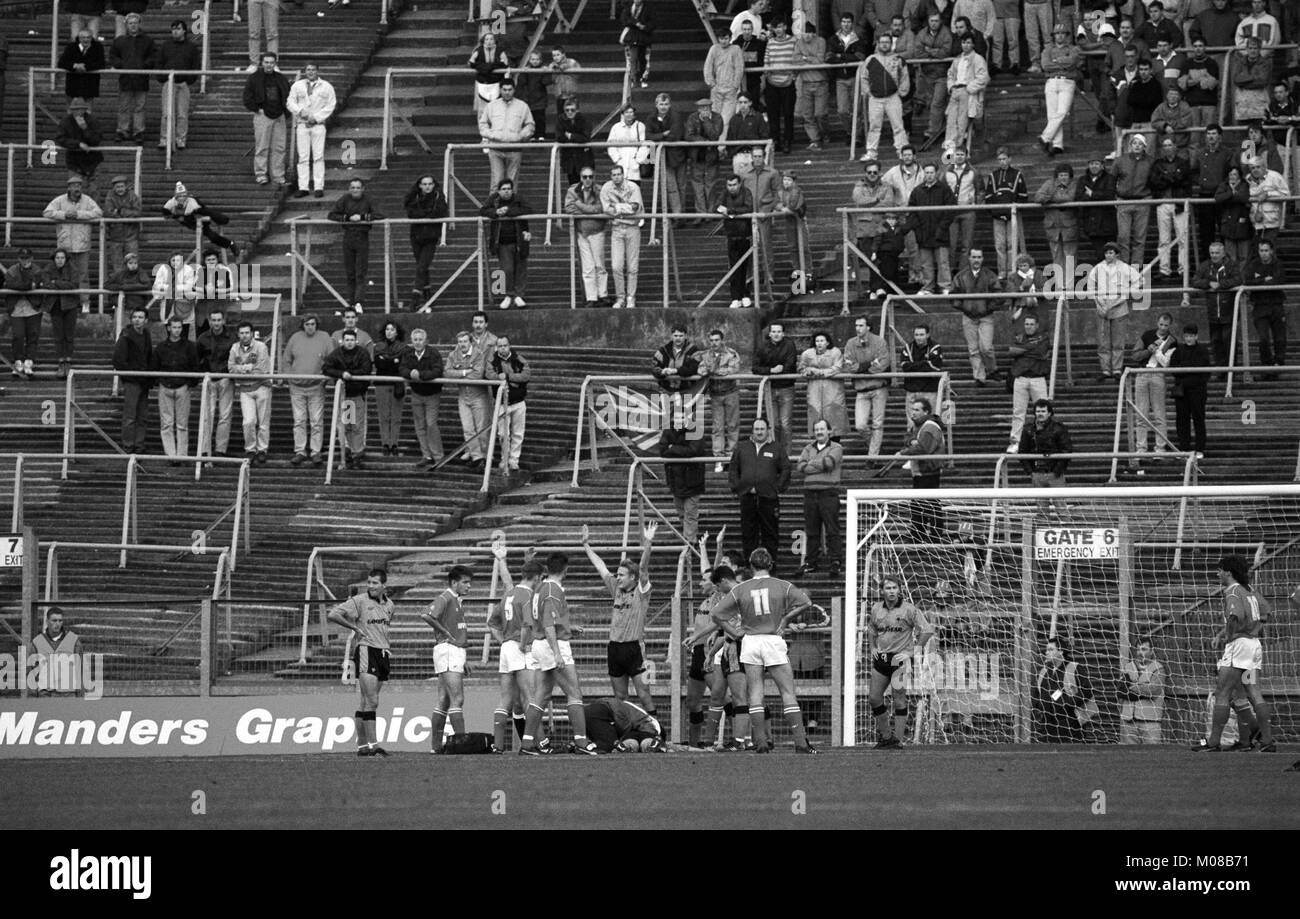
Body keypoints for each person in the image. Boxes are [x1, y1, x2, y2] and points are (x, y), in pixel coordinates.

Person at [708, 546, 820, 753]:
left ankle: (760, 743)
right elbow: (807, 601)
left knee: (756, 693)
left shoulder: (741, 588)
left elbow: (716, 614)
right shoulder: (781, 585)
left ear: (750, 566)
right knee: (787, 692)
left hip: (750, 641)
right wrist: (785, 619)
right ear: (770, 564)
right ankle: (801, 743)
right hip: (772, 639)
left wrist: (734, 631)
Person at [519, 551, 599, 755]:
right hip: (551, 645)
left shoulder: (540, 588)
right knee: (574, 693)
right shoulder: (554, 590)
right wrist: (557, 653)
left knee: (541, 695)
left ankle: (527, 744)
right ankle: (581, 742)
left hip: (539, 643)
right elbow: (548, 624)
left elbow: (547, 620)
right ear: (566, 569)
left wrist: (570, 628)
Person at [1199, 554, 1275, 752]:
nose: (1217, 573)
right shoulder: (1249, 591)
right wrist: (1250, 628)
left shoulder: (1232, 591)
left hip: (1239, 646)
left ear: (1228, 572)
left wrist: (1230, 637)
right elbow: (1265, 613)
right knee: (1253, 692)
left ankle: (1213, 743)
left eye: (1219, 569)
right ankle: (1266, 740)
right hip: (1254, 645)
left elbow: (1235, 616)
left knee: (1222, 692)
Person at [581, 521, 658, 712]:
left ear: (632, 577)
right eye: (618, 574)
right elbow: (600, 566)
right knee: (620, 697)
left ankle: (657, 733)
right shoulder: (615, 588)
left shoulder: (641, 591)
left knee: (644, 693)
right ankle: (627, 732)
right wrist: (586, 545)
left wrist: (648, 543)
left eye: (622, 574)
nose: (618, 577)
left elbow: (644, 568)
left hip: (635, 649)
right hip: (615, 648)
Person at [327, 568, 394, 756]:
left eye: (375, 583)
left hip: (382, 653)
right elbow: (333, 614)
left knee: (365, 701)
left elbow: (383, 628)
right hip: (366, 650)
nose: (370, 586)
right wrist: (354, 627)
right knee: (372, 700)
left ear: (383, 586)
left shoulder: (390, 605)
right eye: (369, 582)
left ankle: (362, 746)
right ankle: (374, 745)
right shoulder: (359, 601)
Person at [866, 574, 934, 748]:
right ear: (882, 591)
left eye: (894, 588)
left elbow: (926, 630)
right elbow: (872, 630)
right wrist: (873, 648)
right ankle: (887, 736)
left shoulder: (909, 609)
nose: (891, 591)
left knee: (899, 698)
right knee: (874, 698)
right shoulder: (876, 609)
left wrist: (912, 651)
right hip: (881, 659)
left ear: (899, 590)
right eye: (888, 588)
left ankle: (898, 740)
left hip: (899, 661)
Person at [420, 565, 474, 753]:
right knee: (457, 699)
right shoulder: (446, 597)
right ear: (454, 582)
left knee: (443, 700)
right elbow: (426, 614)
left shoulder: (456, 601)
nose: (469, 586)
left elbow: (456, 630)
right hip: (449, 650)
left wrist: (463, 658)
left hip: (453, 651)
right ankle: (462, 744)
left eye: (469, 582)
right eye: (465, 582)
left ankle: (436, 746)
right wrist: (443, 631)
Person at [730, 418, 790, 564]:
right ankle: (750, 564)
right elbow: (733, 468)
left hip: (768, 498)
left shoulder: (777, 448)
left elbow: (786, 469)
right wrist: (738, 486)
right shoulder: (742, 448)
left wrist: (777, 487)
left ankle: (770, 563)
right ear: (752, 431)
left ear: (767, 430)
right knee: (748, 533)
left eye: (762, 429)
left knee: (770, 532)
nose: (759, 432)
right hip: (747, 497)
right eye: (756, 429)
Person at [43, 175, 101, 315]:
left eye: (79, 186)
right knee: (64, 276)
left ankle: (85, 302)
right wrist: (64, 214)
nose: (77, 188)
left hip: (82, 244)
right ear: (68, 187)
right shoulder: (60, 200)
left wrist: (79, 214)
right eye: (74, 186)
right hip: (65, 246)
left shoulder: (87, 200)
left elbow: (98, 213)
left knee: (83, 275)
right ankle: (68, 303)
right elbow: (47, 212)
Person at [281, 314, 333, 467]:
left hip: (316, 386)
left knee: (316, 421)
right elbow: (286, 360)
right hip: (297, 387)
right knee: (299, 420)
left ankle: (315, 451)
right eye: (307, 324)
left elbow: (331, 358)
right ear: (302, 325)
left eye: (313, 324)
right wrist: (290, 377)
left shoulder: (324, 337)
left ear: (317, 324)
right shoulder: (295, 338)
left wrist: (324, 378)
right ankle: (300, 450)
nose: (310, 327)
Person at [1087, 242, 1143, 382]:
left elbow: (1139, 281)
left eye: (1111, 253)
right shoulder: (1098, 268)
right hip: (1102, 308)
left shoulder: (1125, 268)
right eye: (1106, 253)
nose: (1108, 255)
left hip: (1119, 307)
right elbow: (1090, 286)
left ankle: (1117, 368)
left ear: (1116, 254)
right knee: (1103, 341)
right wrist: (1099, 303)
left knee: (1118, 341)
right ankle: (1105, 369)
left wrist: (1128, 293)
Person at [795, 419, 844, 577]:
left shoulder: (836, 447)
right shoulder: (808, 447)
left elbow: (829, 463)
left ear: (829, 431)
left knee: (832, 529)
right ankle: (811, 562)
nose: (819, 432)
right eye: (816, 429)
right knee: (812, 531)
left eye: (822, 429)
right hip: (810, 493)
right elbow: (800, 466)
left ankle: (835, 561)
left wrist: (811, 464)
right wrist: (818, 464)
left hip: (828, 492)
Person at [1128, 311, 1177, 465]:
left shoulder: (1172, 341)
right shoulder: (1147, 335)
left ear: (1170, 326)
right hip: (1142, 374)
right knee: (1141, 413)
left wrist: (1157, 351)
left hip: (1158, 375)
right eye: (1161, 324)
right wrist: (1147, 350)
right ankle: (1141, 448)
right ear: (1157, 322)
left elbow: (1167, 363)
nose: (1163, 328)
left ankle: (1160, 449)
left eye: (1166, 325)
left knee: (1159, 414)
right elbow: (1135, 355)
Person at [951, 247, 1004, 386]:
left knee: (986, 347)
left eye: (979, 257)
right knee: (973, 348)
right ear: (969, 258)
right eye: (974, 257)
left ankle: (992, 369)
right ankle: (979, 376)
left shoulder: (990, 275)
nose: (976, 260)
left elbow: (999, 294)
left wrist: (988, 308)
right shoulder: (960, 276)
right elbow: (953, 294)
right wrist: (963, 307)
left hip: (986, 316)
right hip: (968, 316)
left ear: (983, 259)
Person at [328, 179, 383, 312]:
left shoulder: (368, 200)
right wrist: (347, 218)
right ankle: (351, 302)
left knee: (360, 272)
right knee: (350, 272)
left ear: (363, 188)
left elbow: (380, 214)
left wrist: (363, 217)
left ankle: (358, 301)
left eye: (358, 187)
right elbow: (332, 214)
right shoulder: (345, 199)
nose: (355, 190)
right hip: (348, 237)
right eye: (352, 187)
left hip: (362, 237)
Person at [149, 316, 199, 460]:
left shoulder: (189, 346)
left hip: (183, 387)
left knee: (182, 424)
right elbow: (154, 366)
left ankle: (182, 455)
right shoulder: (161, 347)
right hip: (165, 387)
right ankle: (171, 455)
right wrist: (159, 381)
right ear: (169, 328)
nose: (177, 330)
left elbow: (194, 366)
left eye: (179, 327)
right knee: (166, 424)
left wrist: (190, 383)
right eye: (174, 327)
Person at [323, 329, 374, 470]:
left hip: (357, 394)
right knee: (347, 425)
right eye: (347, 340)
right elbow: (326, 368)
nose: (349, 342)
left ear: (356, 341)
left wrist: (349, 374)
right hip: (345, 396)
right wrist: (341, 373)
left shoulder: (362, 352)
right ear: (343, 341)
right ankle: (350, 452)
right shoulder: (337, 353)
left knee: (357, 425)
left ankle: (357, 453)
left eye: (352, 340)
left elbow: (366, 369)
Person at [897, 396, 946, 540]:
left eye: (917, 410)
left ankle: (933, 535)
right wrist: (911, 441)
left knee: (928, 504)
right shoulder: (918, 426)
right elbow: (908, 438)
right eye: (912, 409)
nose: (913, 413)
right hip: (921, 471)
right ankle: (919, 534)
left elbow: (922, 448)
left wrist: (902, 453)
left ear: (926, 411)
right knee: (919, 504)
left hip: (928, 471)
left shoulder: (929, 427)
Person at [1033, 636, 1098, 742]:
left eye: (1050, 650)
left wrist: (1067, 704)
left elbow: (1087, 691)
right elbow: (1037, 694)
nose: (1046, 653)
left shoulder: (1075, 668)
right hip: (1047, 725)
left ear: (1061, 651)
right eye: (1046, 650)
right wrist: (1040, 706)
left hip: (1071, 725)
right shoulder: (1043, 672)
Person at [841, 316, 889, 457]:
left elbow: (882, 364)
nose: (858, 328)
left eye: (861, 325)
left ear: (868, 327)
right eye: (856, 325)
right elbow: (848, 366)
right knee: (860, 425)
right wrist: (869, 364)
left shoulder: (879, 342)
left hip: (878, 387)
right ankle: (875, 447)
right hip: (861, 389)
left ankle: (872, 456)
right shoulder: (850, 343)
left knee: (877, 424)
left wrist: (861, 368)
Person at [1190, 240, 1241, 374]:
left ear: (1223, 253)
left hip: (1229, 311)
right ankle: (1220, 369)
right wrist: (1208, 283)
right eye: (1212, 252)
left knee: (1229, 341)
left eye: (1217, 252)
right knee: (1216, 341)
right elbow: (1195, 280)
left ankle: (1232, 369)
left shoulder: (1231, 265)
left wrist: (1221, 284)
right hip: (1213, 312)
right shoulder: (1205, 266)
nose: (1214, 255)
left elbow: (1238, 280)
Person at [287, 63, 336, 199]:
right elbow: (290, 102)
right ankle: (303, 187)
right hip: (302, 124)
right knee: (303, 157)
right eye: (308, 70)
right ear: (304, 71)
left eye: (313, 70)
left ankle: (319, 187)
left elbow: (331, 105)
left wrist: (316, 117)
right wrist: (300, 112)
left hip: (318, 125)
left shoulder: (326, 86)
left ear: (318, 71)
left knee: (318, 156)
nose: (310, 72)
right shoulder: (297, 86)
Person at [907, 164, 956, 296]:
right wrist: (918, 229)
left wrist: (942, 228)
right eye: (927, 172)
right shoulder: (917, 191)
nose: (929, 175)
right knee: (925, 263)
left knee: (943, 262)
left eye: (931, 172)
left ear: (936, 173)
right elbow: (912, 212)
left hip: (941, 232)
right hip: (923, 233)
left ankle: (945, 286)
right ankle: (928, 287)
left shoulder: (945, 189)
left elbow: (950, 211)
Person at [481, 179, 531, 310]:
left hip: (520, 239)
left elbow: (528, 209)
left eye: (509, 188)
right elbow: (483, 210)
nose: (506, 191)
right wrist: (496, 212)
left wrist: (508, 211)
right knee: (506, 269)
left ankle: (519, 295)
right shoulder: (494, 199)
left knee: (521, 268)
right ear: (499, 191)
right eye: (503, 189)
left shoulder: (518, 199)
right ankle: (508, 295)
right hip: (501, 242)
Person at [563, 167, 609, 308]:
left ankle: (603, 295)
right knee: (587, 267)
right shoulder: (573, 190)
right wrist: (589, 209)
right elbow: (568, 208)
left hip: (597, 231)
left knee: (600, 265)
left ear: (594, 177)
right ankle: (591, 297)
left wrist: (580, 206)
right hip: (581, 232)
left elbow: (601, 208)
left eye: (590, 176)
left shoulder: (601, 190)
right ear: (580, 177)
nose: (587, 179)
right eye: (584, 177)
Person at [399, 327, 444, 470]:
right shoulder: (408, 353)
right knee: (420, 426)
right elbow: (402, 369)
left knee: (431, 424)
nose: (418, 342)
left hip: (432, 394)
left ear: (426, 341)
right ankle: (426, 455)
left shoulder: (433, 353)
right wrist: (410, 373)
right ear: (412, 341)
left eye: (420, 339)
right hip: (416, 394)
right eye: (415, 340)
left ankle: (438, 456)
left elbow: (437, 370)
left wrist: (420, 375)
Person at [242, 52, 290, 187]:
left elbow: (288, 95)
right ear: (262, 63)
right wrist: (257, 109)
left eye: (271, 62)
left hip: (279, 115)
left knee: (280, 147)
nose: (269, 65)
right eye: (266, 62)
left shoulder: (281, 78)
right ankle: (261, 174)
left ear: (275, 63)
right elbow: (247, 97)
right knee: (262, 146)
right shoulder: (254, 78)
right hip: (262, 115)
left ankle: (278, 175)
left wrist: (286, 113)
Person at [1242, 239, 1288, 377]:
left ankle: (1279, 363)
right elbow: (1248, 281)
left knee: (1280, 338)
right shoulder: (1253, 264)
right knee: (1263, 338)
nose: (1264, 253)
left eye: (1266, 250)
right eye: (1261, 250)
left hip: (1276, 305)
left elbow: (1280, 279)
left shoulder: (1278, 264)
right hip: (1260, 306)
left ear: (1272, 251)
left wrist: (1260, 281)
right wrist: (1264, 280)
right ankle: (1267, 364)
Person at [478, 79, 535, 194]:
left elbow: (530, 125)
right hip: (495, 148)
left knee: (512, 183)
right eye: (504, 89)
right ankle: (493, 209)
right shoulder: (491, 106)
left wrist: (520, 136)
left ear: (514, 90)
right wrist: (492, 135)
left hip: (514, 149)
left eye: (509, 90)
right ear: (500, 90)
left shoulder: (522, 106)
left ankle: (511, 210)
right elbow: (482, 124)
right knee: (496, 182)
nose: (507, 92)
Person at [1018, 399, 1072, 518]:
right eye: (1038, 411)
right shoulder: (1028, 429)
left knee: (1061, 507)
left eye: (1043, 411)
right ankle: (1043, 531)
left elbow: (1067, 450)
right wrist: (1030, 472)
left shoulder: (1059, 428)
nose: (1040, 413)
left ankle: (1065, 528)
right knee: (1041, 510)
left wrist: (1057, 471)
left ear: (1049, 413)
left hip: (1055, 474)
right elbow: (1022, 452)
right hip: (1037, 473)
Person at [697, 328, 742, 470]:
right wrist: (712, 371)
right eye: (711, 340)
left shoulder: (731, 353)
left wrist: (714, 371)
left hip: (731, 393)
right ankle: (718, 457)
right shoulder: (705, 355)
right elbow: (701, 370)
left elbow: (732, 370)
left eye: (716, 340)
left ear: (722, 340)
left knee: (733, 424)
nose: (714, 343)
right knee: (717, 427)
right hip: (715, 394)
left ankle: (731, 455)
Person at [1005, 312, 1051, 452]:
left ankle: (1045, 440)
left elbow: (1041, 352)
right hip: (1021, 378)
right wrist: (1031, 348)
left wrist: (1022, 349)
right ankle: (1015, 442)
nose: (1029, 327)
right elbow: (1011, 351)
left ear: (1037, 325)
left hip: (1038, 378)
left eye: (1031, 324)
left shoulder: (1043, 337)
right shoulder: (1019, 336)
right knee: (1018, 412)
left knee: (1043, 411)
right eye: (1026, 324)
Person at [160, 181, 239, 262]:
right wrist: (175, 216)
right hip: (188, 220)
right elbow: (164, 212)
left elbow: (205, 211)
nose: (182, 198)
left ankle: (230, 243)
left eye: (184, 196)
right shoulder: (171, 202)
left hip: (198, 217)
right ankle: (230, 243)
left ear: (187, 196)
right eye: (179, 196)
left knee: (212, 236)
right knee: (211, 236)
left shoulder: (192, 202)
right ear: (176, 197)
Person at [108, 12, 156, 144]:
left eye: (135, 23)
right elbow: (113, 56)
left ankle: (138, 131)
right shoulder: (120, 41)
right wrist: (121, 65)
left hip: (141, 78)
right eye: (130, 23)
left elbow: (153, 56)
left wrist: (145, 65)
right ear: (126, 25)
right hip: (126, 78)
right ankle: (122, 130)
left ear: (139, 24)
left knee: (140, 106)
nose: (133, 25)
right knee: (124, 106)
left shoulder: (147, 41)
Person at [600, 164, 644, 309]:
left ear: (623, 174)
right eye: (614, 175)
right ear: (610, 176)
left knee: (632, 266)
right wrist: (623, 208)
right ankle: (621, 297)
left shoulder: (633, 187)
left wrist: (617, 208)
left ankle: (631, 296)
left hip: (632, 227)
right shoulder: (606, 188)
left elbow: (634, 208)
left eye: (619, 174)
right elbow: (606, 209)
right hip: (617, 228)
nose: (616, 177)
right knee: (616, 265)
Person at [228, 320, 271, 464]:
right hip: (245, 390)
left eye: (247, 332)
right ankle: (251, 449)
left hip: (262, 387)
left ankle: (262, 450)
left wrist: (242, 369)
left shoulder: (261, 347)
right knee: (248, 421)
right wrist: (247, 368)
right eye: (242, 333)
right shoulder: (234, 348)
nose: (245, 335)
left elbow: (262, 369)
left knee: (263, 422)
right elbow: (231, 368)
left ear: (252, 333)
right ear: (238, 334)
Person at [1149, 136, 1192, 282]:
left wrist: (1166, 177)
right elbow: (1154, 182)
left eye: (1170, 144)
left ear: (1175, 146)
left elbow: (1183, 180)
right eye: (1164, 145)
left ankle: (1183, 270)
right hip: (1163, 202)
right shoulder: (1157, 164)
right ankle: (1164, 269)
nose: (1167, 147)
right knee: (1163, 239)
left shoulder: (1184, 163)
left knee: (1182, 239)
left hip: (1179, 203)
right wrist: (1172, 178)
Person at [402, 175, 449, 307]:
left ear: (434, 185)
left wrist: (424, 213)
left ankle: (416, 296)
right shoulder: (414, 196)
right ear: (420, 185)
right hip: (416, 235)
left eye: (430, 184)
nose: (427, 186)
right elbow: (411, 212)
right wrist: (426, 213)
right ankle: (427, 292)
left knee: (422, 266)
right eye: (424, 184)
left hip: (431, 236)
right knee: (421, 266)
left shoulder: (439, 196)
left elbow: (440, 212)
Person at [196, 308, 236, 458]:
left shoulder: (232, 338)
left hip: (225, 378)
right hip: (209, 378)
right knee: (208, 415)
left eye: (219, 320)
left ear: (223, 320)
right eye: (214, 320)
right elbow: (197, 358)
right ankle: (206, 449)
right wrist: (203, 374)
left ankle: (220, 449)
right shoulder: (203, 338)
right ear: (210, 321)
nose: (216, 323)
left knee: (225, 415)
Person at [862, 32, 909, 161]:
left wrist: (901, 92)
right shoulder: (870, 59)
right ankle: (871, 152)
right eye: (882, 42)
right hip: (875, 98)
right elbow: (864, 78)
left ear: (891, 44)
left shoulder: (898, 59)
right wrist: (868, 92)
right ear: (878, 44)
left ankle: (902, 152)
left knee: (898, 126)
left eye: (887, 42)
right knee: (874, 126)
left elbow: (905, 77)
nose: (884, 45)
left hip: (893, 97)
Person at [112, 306, 153, 453]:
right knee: (130, 416)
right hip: (132, 382)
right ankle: (128, 446)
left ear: (146, 320)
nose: (137, 320)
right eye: (135, 317)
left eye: (140, 317)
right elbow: (118, 360)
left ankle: (139, 445)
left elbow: (149, 356)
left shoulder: (146, 334)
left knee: (142, 416)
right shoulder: (126, 337)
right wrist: (131, 376)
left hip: (144, 381)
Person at [982, 147, 1027, 280]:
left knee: (1011, 244)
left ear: (1010, 159)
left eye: (1004, 159)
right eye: (1000, 159)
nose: (1002, 162)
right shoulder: (993, 175)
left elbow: (1023, 196)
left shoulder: (1017, 174)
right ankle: (1002, 272)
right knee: (1000, 245)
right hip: (997, 217)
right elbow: (989, 196)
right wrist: (994, 212)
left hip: (1013, 216)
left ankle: (1012, 270)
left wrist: (1015, 210)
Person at [155, 19, 199, 152]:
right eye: (173, 29)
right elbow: (159, 62)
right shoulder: (165, 46)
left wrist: (189, 80)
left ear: (184, 30)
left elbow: (195, 65)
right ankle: (164, 138)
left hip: (183, 83)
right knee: (166, 113)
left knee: (182, 114)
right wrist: (162, 78)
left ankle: (181, 139)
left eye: (178, 28)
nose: (175, 31)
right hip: (169, 82)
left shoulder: (191, 47)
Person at [754, 322, 797, 451]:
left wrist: (782, 369)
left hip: (786, 388)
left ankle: (786, 454)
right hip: (769, 388)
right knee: (773, 423)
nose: (776, 334)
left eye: (779, 331)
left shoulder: (789, 345)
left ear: (783, 333)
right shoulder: (763, 346)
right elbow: (755, 367)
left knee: (785, 423)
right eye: (774, 331)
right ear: (769, 333)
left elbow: (791, 363)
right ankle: (775, 452)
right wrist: (771, 370)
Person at [715, 173, 756, 308]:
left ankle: (745, 294)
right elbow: (716, 205)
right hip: (731, 234)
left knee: (745, 266)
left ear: (739, 184)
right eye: (729, 185)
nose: (731, 188)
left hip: (744, 234)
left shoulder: (746, 192)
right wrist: (723, 210)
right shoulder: (724, 193)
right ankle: (735, 297)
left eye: (734, 185)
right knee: (733, 267)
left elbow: (748, 208)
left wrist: (731, 210)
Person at [1114, 133, 1153, 268]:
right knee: (1123, 237)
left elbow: (1154, 180)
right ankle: (1124, 267)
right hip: (1124, 201)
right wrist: (1115, 197)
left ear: (1144, 147)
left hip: (1142, 200)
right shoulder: (1120, 161)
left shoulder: (1150, 161)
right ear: (1130, 145)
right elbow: (1112, 180)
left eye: (1140, 143)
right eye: (1134, 143)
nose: (1137, 146)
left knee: (1139, 238)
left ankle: (1136, 268)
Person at [490, 335, 529, 472]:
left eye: (505, 345)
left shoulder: (518, 358)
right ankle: (504, 458)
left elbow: (526, 375)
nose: (503, 348)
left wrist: (507, 377)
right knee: (502, 434)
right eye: (500, 346)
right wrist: (508, 380)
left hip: (519, 402)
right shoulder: (492, 360)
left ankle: (514, 460)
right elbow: (490, 375)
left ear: (509, 345)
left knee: (518, 433)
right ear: (497, 347)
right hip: (501, 403)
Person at [945, 32, 987, 153]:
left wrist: (970, 88)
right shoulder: (958, 59)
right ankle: (949, 151)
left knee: (961, 122)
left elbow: (983, 78)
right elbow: (950, 74)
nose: (966, 45)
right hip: (956, 90)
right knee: (951, 120)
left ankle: (957, 148)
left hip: (967, 91)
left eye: (968, 42)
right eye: (963, 42)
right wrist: (951, 86)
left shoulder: (978, 59)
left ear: (973, 44)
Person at [1033, 163, 1078, 277]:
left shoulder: (1074, 184)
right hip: (1052, 227)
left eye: (1065, 175)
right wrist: (1049, 198)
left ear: (1070, 176)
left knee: (1070, 256)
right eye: (1061, 175)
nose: (1063, 177)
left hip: (1069, 226)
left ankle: (1069, 286)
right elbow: (1038, 196)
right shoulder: (1049, 183)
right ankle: (1059, 286)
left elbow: (1070, 198)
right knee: (1056, 256)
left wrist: (1050, 198)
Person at [647, 93, 689, 213]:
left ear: (670, 105)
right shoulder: (651, 117)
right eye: (661, 104)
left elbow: (675, 135)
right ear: (656, 105)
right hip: (663, 158)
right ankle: (677, 214)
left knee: (681, 186)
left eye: (666, 104)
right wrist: (662, 134)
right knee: (671, 188)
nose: (663, 107)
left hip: (678, 156)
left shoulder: (676, 116)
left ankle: (683, 213)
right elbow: (648, 135)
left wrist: (659, 138)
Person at [42, 250, 80, 378]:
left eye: (62, 257)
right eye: (57, 257)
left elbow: (74, 285)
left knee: (69, 334)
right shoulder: (48, 268)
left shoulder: (72, 269)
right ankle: (60, 362)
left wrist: (56, 282)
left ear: (66, 258)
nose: (60, 260)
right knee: (58, 335)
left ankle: (68, 361)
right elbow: (47, 284)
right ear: (54, 258)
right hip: (55, 306)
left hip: (70, 305)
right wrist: (58, 284)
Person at [1119, 637, 1166, 744]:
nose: (1140, 652)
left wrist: (1132, 686)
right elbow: (1121, 690)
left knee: (1152, 758)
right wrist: (1143, 687)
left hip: (1150, 723)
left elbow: (1153, 691)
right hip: (1128, 722)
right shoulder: (1128, 666)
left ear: (1152, 651)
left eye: (1144, 649)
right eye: (1138, 649)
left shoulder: (1158, 668)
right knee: (1126, 758)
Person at [799, 331, 846, 435]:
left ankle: (835, 444)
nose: (819, 343)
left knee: (834, 417)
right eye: (817, 341)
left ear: (827, 342)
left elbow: (837, 368)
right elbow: (801, 368)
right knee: (815, 414)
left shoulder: (835, 352)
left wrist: (818, 372)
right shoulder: (807, 354)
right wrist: (808, 371)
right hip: (814, 390)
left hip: (833, 389)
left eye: (822, 341)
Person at [28, 606, 82, 696]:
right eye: (54, 620)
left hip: (68, 694)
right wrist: (32, 696)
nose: (57, 624)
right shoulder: (37, 642)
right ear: (47, 621)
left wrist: (80, 695)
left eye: (60, 621)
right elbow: (31, 672)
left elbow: (81, 670)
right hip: (45, 694)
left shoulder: (74, 641)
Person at [685, 97, 726, 216]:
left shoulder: (717, 118)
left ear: (710, 107)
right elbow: (689, 135)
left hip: (711, 157)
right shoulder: (692, 118)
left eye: (706, 108)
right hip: (696, 157)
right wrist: (704, 141)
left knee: (711, 185)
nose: (704, 110)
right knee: (697, 187)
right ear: (697, 108)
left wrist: (707, 121)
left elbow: (714, 136)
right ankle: (701, 213)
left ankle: (711, 212)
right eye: (701, 108)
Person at [6, 248, 42, 381]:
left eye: (27, 258)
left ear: (31, 258)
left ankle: (29, 360)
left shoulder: (37, 270)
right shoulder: (12, 270)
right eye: (22, 258)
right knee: (18, 335)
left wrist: (22, 285)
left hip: (33, 307)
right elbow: (10, 283)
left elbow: (35, 283)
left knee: (33, 335)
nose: (25, 261)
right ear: (18, 259)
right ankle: (18, 360)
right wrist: (26, 286)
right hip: (16, 308)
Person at [371, 320, 405, 458]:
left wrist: (388, 360)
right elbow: (379, 364)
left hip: (397, 384)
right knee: (383, 416)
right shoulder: (378, 346)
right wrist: (393, 361)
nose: (389, 331)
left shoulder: (403, 347)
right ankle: (385, 443)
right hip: (382, 383)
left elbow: (400, 364)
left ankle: (394, 443)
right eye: (387, 329)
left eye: (392, 329)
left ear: (397, 332)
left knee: (396, 416)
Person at [900, 323, 943, 433]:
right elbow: (904, 366)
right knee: (911, 425)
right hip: (912, 391)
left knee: (931, 424)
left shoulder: (935, 347)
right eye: (916, 334)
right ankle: (913, 447)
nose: (918, 337)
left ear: (928, 335)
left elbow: (935, 366)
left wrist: (913, 365)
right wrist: (924, 363)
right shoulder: (907, 347)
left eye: (921, 334)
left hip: (930, 391)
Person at [794, 20, 830, 151]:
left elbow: (820, 60)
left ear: (814, 33)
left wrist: (805, 58)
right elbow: (795, 59)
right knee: (807, 115)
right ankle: (814, 139)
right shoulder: (798, 43)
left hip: (820, 82)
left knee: (820, 113)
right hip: (805, 83)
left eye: (810, 32)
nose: (807, 35)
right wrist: (809, 59)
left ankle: (825, 133)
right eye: (805, 32)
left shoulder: (821, 41)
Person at [763, 18, 797, 154]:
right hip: (772, 82)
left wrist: (793, 76)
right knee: (773, 114)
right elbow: (766, 60)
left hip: (788, 82)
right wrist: (768, 74)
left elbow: (797, 58)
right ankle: (775, 140)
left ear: (785, 27)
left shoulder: (793, 41)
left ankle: (787, 140)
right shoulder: (770, 42)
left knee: (788, 113)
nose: (778, 30)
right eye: (776, 27)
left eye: (781, 27)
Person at [583, 698, 663, 752]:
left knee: (605, 742)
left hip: (591, 711)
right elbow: (651, 729)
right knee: (610, 744)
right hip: (602, 711)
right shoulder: (650, 722)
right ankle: (586, 746)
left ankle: (584, 745)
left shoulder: (633, 713)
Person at [101, 175, 142, 281]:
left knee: (133, 263)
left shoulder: (132, 196)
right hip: (115, 236)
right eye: (117, 187)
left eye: (122, 186)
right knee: (117, 266)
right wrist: (125, 212)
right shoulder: (110, 197)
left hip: (131, 236)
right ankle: (119, 288)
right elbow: (107, 212)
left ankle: (133, 286)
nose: (120, 189)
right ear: (114, 188)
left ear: (126, 186)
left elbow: (137, 212)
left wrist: (120, 211)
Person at [945, 148, 978, 275]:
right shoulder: (946, 172)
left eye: (962, 154)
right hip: (951, 212)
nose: (959, 157)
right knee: (951, 244)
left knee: (967, 244)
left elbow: (980, 189)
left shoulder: (973, 172)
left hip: (968, 211)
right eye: (957, 154)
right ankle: (950, 270)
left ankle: (963, 271)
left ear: (966, 156)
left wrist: (976, 204)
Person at [704, 30, 746, 127]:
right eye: (721, 39)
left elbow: (739, 67)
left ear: (730, 38)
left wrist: (735, 85)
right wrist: (711, 84)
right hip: (716, 88)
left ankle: (723, 142)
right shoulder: (714, 49)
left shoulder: (735, 49)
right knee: (714, 118)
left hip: (730, 89)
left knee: (726, 119)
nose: (723, 41)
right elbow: (708, 66)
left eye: (726, 38)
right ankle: (716, 141)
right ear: (718, 39)